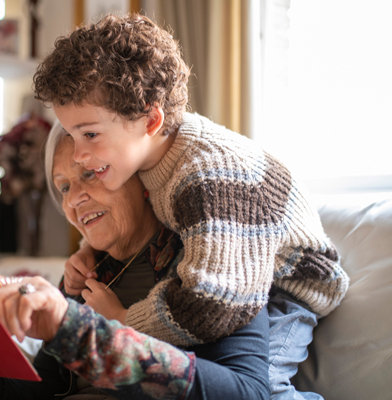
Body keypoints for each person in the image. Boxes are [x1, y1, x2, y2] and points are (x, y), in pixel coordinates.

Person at [33, 13, 349, 399]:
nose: (80, 156)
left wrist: (121, 323)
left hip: (287, 281)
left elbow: (210, 306)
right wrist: (88, 248)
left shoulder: (210, 178)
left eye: (90, 135)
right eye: (72, 135)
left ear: (151, 119)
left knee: (269, 389)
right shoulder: (149, 153)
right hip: (239, 265)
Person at [0, 126, 270, 400]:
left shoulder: (211, 258)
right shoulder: (84, 276)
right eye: (63, 187)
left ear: (140, 174)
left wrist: (80, 333)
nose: (74, 199)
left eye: (89, 174)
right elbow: (47, 387)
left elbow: (249, 392)